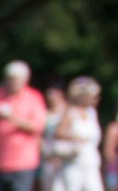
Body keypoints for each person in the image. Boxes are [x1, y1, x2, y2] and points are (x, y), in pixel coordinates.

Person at [0, 61, 47, 191]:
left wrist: (11, 118)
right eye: (10, 79)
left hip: (23, 162)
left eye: (16, 79)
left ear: (25, 80)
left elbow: (37, 127)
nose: (13, 82)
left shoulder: (33, 97)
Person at [51, 77, 103, 191]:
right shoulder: (70, 112)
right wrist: (75, 137)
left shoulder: (92, 113)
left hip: (90, 161)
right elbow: (58, 133)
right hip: (73, 161)